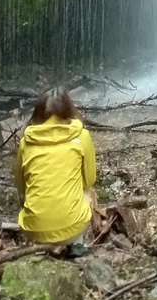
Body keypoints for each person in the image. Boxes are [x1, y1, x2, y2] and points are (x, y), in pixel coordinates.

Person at [14, 87, 97, 256]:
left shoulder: (25, 142)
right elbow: (90, 179)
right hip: (72, 227)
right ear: (68, 110)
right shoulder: (82, 136)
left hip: (33, 231)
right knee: (88, 190)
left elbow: (20, 186)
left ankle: (39, 249)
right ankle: (77, 245)